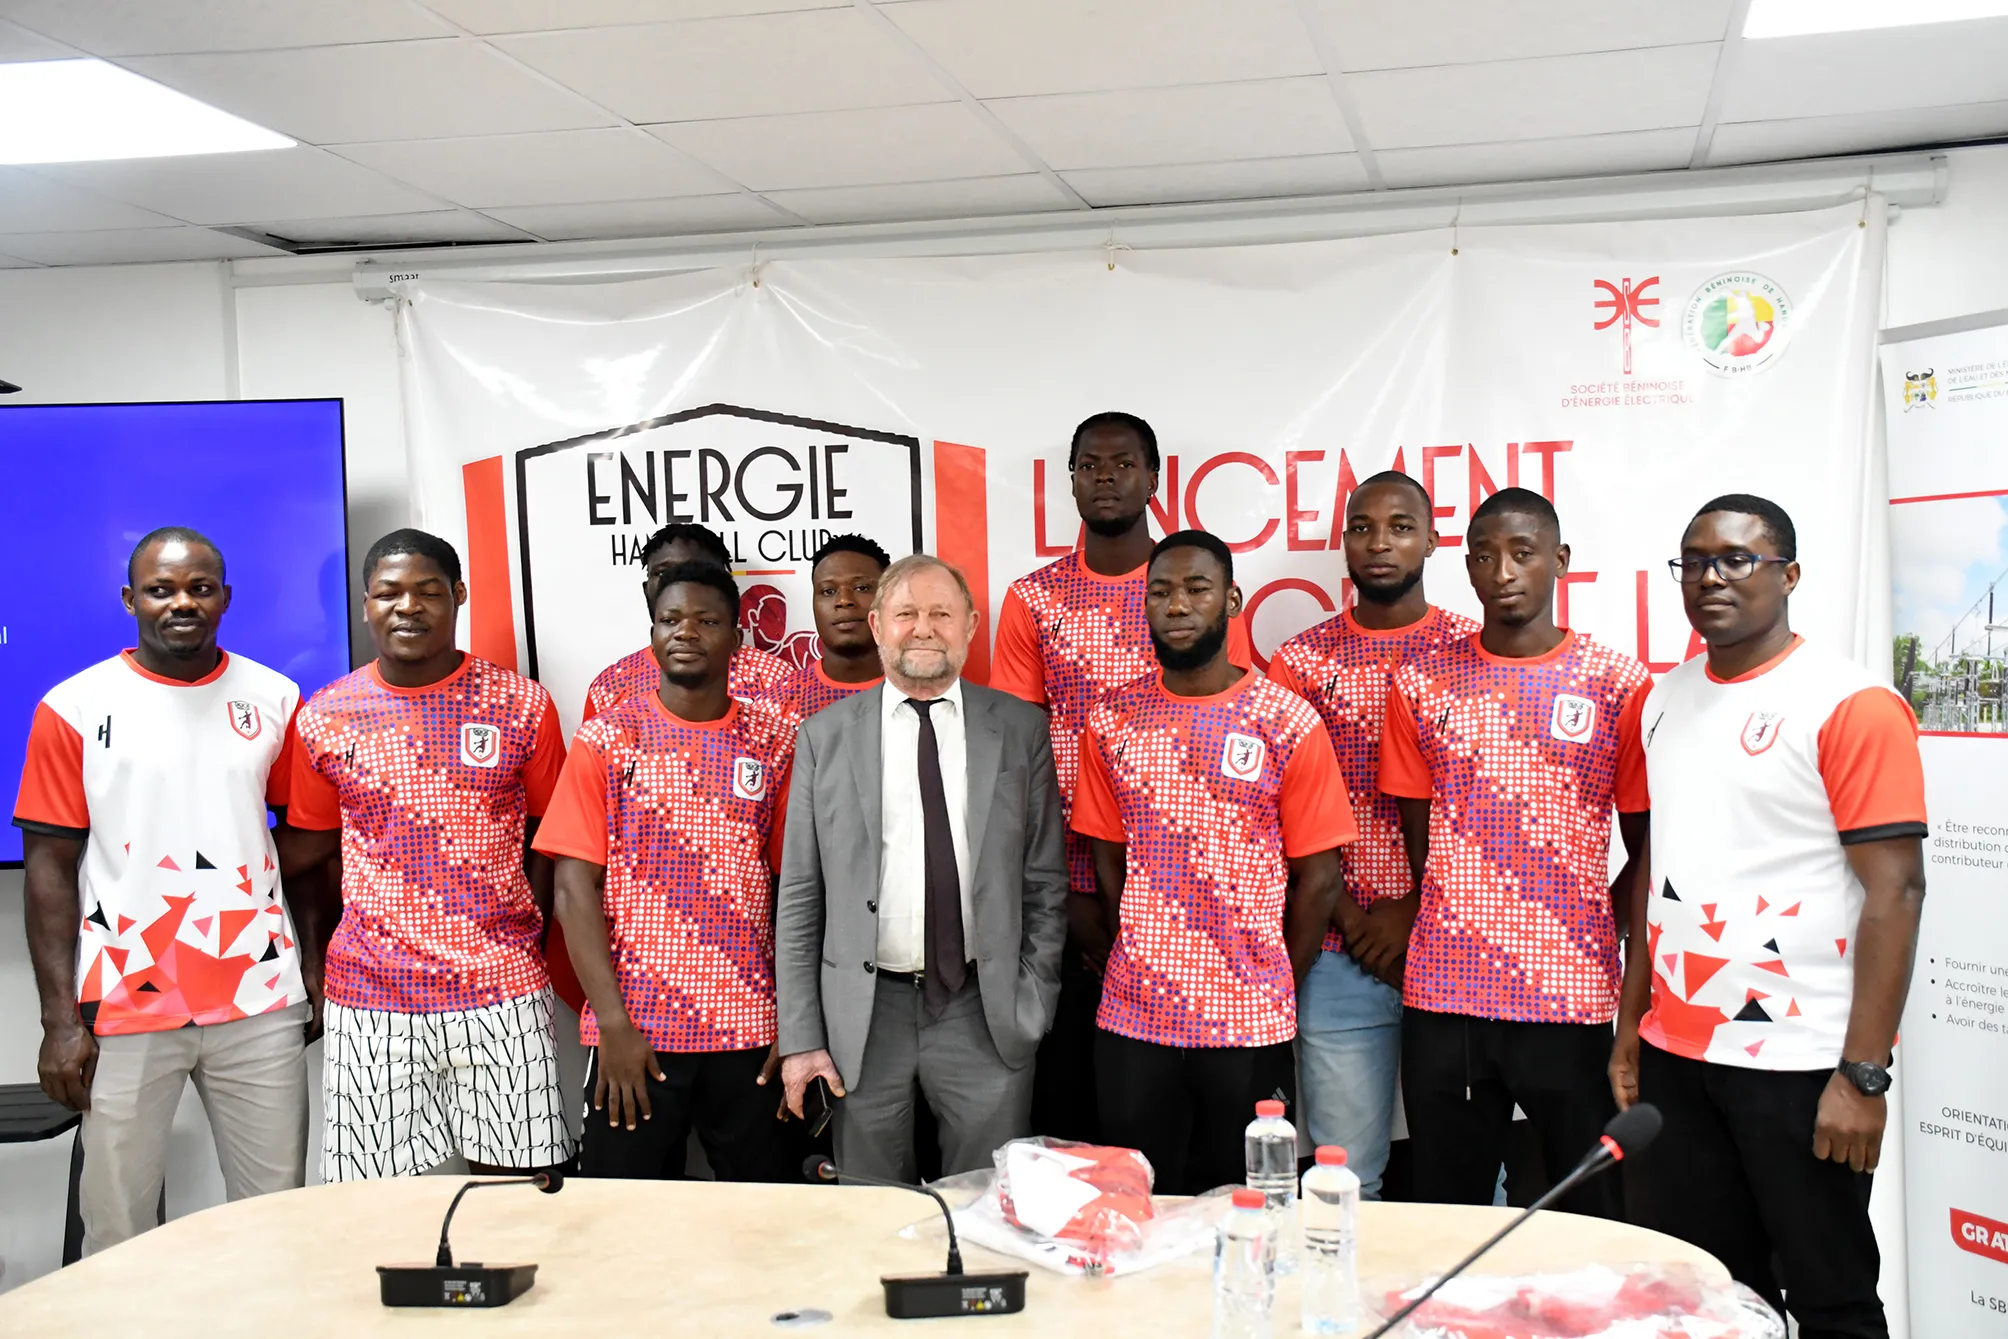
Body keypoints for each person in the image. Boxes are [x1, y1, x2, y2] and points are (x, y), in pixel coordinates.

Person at [1611, 495, 1926, 1338]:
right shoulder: (1661, 699)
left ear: (1789, 575)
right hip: (1679, 1054)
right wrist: (1632, 1024)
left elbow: (1897, 890)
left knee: (1831, 1299)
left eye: (1737, 558)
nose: (1711, 577)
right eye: (1694, 561)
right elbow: (1655, 870)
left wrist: (1862, 1074)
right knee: (1706, 1298)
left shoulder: (1849, 702)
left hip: (1802, 1062)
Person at [14, 528, 313, 1253]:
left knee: (275, 1222)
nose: (182, 603)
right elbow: (49, 865)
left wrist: (311, 960)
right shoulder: (73, 706)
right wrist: (59, 1022)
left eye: (199, 588)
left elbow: (312, 839)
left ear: (225, 598)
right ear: (130, 600)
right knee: (117, 1229)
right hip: (123, 1002)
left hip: (258, 995)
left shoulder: (276, 697)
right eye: (161, 589)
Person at [1378, 487, 1649, 1219]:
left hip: (1569, 994)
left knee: (1592, 1207)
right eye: (1485, 556)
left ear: (1559, 560)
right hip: (1447, 993)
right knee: (1447, 1207)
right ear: (1466, 565)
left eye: (1522, 553)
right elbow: (1421, 841)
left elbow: (1647, 846)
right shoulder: (1422, 681)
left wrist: (1599, 927)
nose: (1502, 572)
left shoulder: (1617, 684)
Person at [990, 411, 1251, 1142]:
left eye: (1124, 464)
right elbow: (1019, 755)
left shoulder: (1189, 589)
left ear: (1154, 478)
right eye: (1090, 465)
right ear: (1070, 479)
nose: (1105, 477)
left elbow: (1229, 733)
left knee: (1185, 1128)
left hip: (1188, 902)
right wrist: (1064, 894)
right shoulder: (1035, 599)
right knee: (1072, 1108)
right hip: (1069, 895)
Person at [281, 528, 574, 1181]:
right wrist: (315, 957)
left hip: (500, 988)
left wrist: (521, 935)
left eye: (427, 591)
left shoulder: (521, 705)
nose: (407, 606)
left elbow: (550, 835)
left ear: (458, 595)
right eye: (388, 593)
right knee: (375, 1203)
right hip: (371, 994)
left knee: (516, 1193)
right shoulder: (326, 715)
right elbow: (313, 847)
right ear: (365, 604)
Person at [1072, 531, 1355, 1195]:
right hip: (1134, 1019)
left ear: (1231, 600)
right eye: (1161, 591)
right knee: (1139, 1204)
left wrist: (1270, 980)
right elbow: (1108, 859)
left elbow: (1319, 880)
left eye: (1196, 588)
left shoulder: (1287, 721)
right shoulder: (1111, 719)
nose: (1177, 605)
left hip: (1248, 1022)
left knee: (1246, 1203)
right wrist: (1144, 951)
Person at [775, 554, 1068, 1181]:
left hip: (984, 1010)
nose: (924, 628)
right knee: (871, 1208)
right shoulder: (824, 737)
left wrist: (1033, 1000)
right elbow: (800, 893)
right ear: (877, 625)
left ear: (971, 626)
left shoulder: (1020, 730)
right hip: (863, 1017)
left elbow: (1044, 882)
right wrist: (801, 1036)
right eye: (907, 613)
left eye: (942, 613)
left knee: (985, 1201)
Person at [534, 562, 797, 1181]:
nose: (686, 632)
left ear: (737, 638)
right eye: (670, 619)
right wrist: (614, 1025)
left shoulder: (779, 738)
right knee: (623, 1217)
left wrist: (797, 1020)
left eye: (707, 621)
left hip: (753, 1029)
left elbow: (796, 889)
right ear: (652, 632)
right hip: (637, 1032)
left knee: (767, 1214)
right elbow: (573, 891)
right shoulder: (607, 739)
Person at [1268, 472, 1477, 1199]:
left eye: (1399, 526)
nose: (1379, 542)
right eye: (1362, 527)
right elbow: (1276, 813)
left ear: (1433, 540)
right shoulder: (1300, 662)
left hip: (1461, 950)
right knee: (1344, 1178)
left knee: (1472, 1178)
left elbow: (1490, 809)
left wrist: (1416, 907)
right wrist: (1355, 922)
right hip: (1338, 950)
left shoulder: (1474, 650)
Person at [582, 522, 795, 723]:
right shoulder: (611, 686)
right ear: (646, 589)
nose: (679, 584)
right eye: (663, 573)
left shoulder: (776, 680)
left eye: (695, 572)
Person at [792, 534, 889, 716]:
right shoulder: (775, 706)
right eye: (828, 591)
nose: (844, 600)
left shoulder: (927, 694)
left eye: (861, 588)